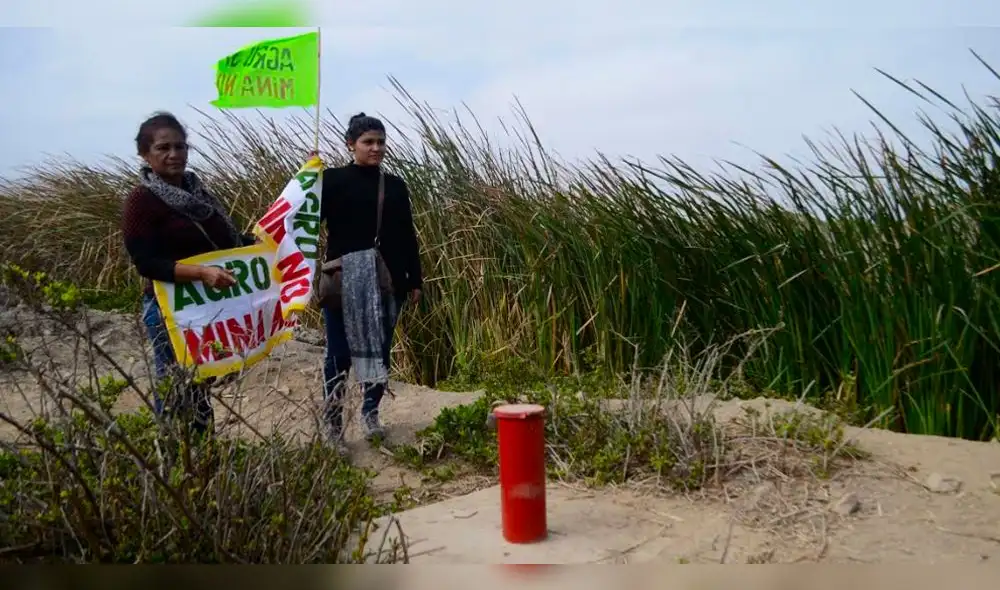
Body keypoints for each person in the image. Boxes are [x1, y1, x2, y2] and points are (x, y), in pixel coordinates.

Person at [121, 111, 256, 435]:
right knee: (175, 387)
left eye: (180, 146)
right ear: (145, 154)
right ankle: (172, 456)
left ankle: (201, 453)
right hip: (169, 308)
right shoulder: (142, 199)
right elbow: (146, 263)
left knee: (199, 385)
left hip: (204, 305)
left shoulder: (199, 193)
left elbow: (224, 243)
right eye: (163, 148)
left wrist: (256, 242)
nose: (174, 154)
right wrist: (201, 273)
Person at [319, 112, 423, 448]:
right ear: (351, 144)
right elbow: (304, 222)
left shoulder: (395, 186)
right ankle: (333, 424)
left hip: (387, 282)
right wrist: (308, 179)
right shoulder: (330, 181)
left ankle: (370, 414)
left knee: (379, 350)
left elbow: (407, 235)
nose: (376, 148)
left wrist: (415, 280)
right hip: (342, 281)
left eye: (380, 142)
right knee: (338, 355)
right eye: (368, 142)